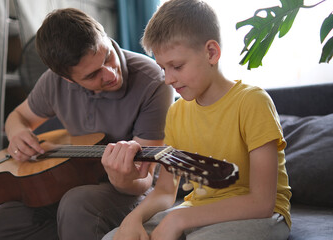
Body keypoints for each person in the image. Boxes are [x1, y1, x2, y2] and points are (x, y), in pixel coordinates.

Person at [102, 0, 292, 239]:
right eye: (163, 68)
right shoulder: (176, 113)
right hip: (198, 211)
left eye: (177, 66)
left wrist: (178, 219)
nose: (167, 79)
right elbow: (165, 190)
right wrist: (134, 218)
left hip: (261, 215)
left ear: (211, 52)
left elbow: (262, 202)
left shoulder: (252, 102)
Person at [0, 8, 173, 240]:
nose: (111, 74)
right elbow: (17, 117)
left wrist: (122, 178)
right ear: (67, 79)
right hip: (73, 181)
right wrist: (17, 133)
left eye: (108, 57)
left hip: (130, 189)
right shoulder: (52, 83)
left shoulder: (153, 82)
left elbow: (144, 180)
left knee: (76, 205)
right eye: (92, 75)